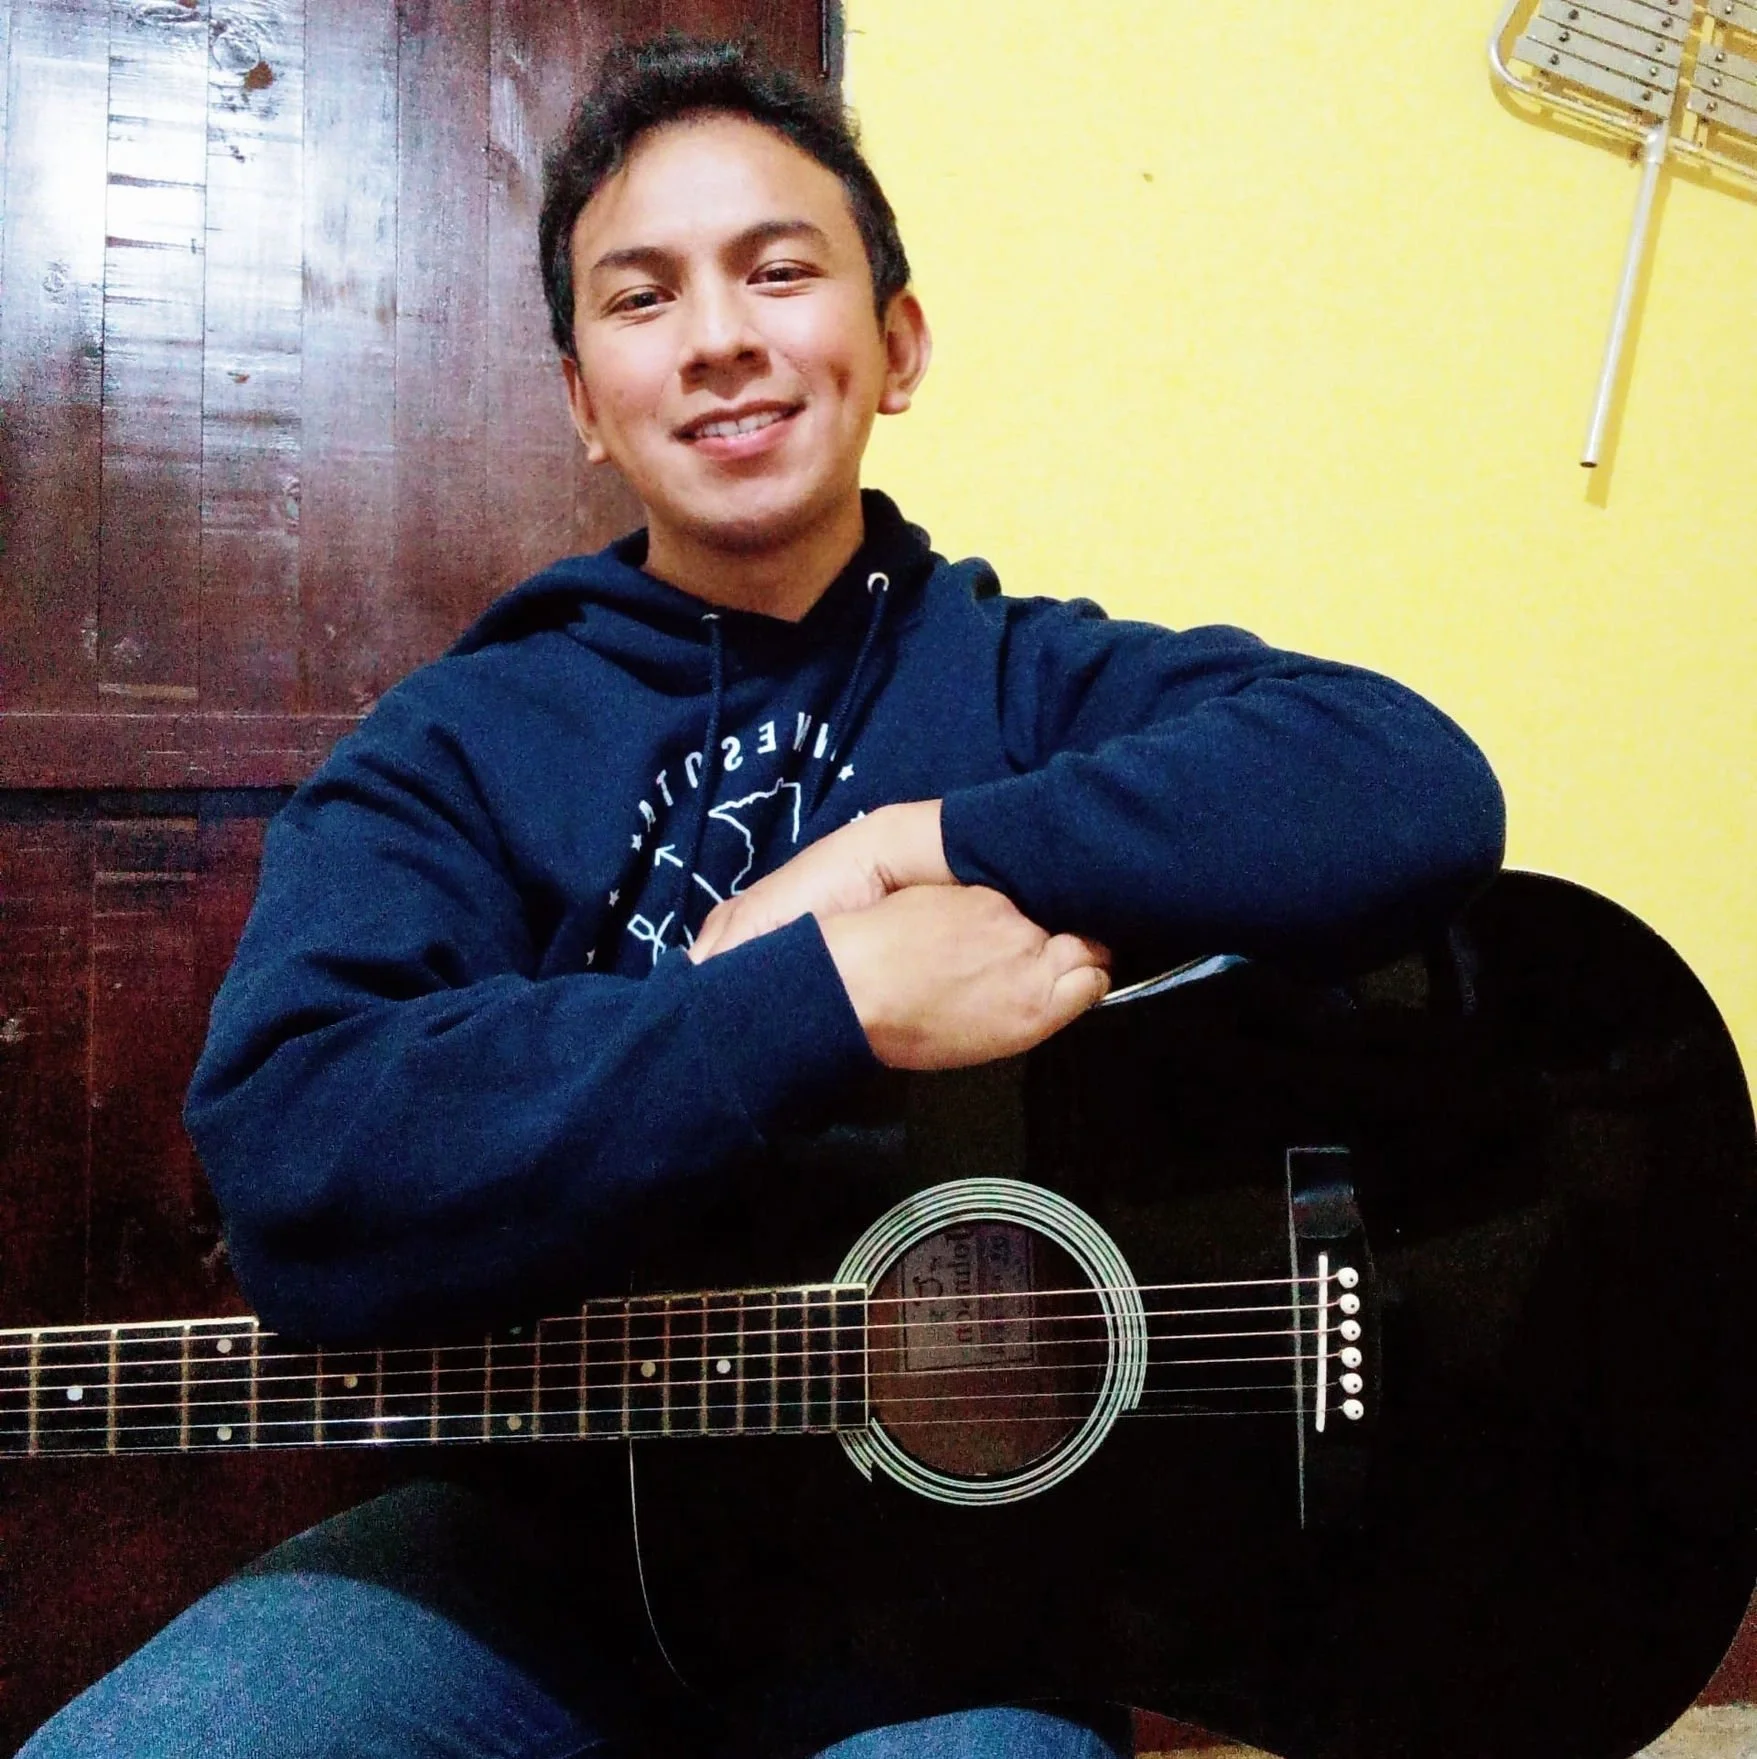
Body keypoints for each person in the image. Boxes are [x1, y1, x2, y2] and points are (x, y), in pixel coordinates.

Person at [19, 33, 1505, 1759]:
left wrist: (915, 852)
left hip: (965, 1593)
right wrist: (825, 999)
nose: (720, 335)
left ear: (900, 341)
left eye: (780, 271)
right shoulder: (457, 745)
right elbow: (295, 1149)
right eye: (640, 298)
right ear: (583, 397)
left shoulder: (1025, 679)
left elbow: (1410, 782)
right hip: (538, 1551)